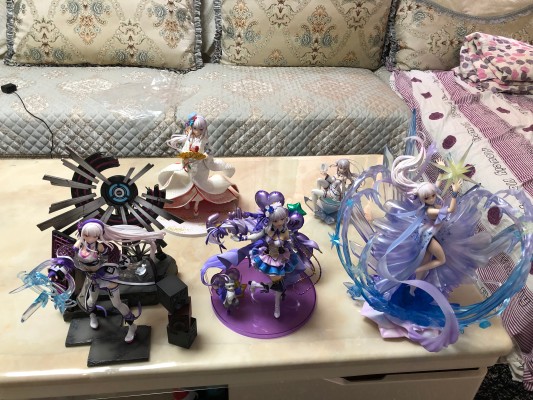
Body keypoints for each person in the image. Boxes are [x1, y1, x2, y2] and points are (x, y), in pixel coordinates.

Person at [202, 191, 320, 319]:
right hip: (270, 259)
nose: (279, 222)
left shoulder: (284, 229)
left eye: (282, 219)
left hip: (283, 258)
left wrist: (290, 244)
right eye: (276, 220)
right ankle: (276, 305)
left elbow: (287, 240)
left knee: (280, 284)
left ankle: (256, 286)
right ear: (271, 220)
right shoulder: (268, 229)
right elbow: (256, 236)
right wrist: (242, 238)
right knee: (279, 286)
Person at [68, 219, 165, 343]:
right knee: (90, 301)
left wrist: (110, 267)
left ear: (98, 236)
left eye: (93, 236)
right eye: (86, 235)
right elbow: (71, 255)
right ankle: (93, 316)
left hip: (106, 277)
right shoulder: (80, 244)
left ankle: (132, 326)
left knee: (117, 304)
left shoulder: (100, 246)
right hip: (92, 278)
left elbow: (113, 256)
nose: (89, 238)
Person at [158, 113, 238, 216]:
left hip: (201, 167)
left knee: (200, 185)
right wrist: (185, 158)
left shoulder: (205, 141)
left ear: (204, 129)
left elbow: (210, 151)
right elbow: (185, 150)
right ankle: (186, 201)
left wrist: (205, 156)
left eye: (201, 129)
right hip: (189, 165)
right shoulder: (189, 139)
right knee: (185, 184)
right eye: (195, 128)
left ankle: (196, 204)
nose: (197, 131)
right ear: (191, 128)